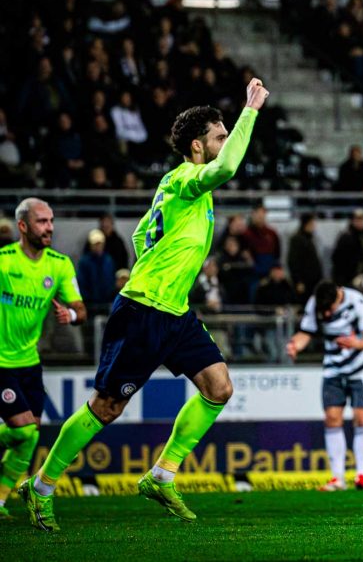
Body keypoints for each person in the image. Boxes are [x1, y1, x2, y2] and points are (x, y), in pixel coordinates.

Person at [20, 78, 269, 531]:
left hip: (174, 310)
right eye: (219, 136)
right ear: (198, 146)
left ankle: (161, 474)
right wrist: (250, 109)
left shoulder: (179, 190)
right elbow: (228, 167)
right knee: (107, 407)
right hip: (144, 310)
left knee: (219, 388)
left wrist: (158, 265)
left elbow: (140, 237)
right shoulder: (187, 180)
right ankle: (40, 486)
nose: (224, 142)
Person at [0, 198, 87, 520]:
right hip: (0, 362)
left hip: (29, 362)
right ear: (23, 226)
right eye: (41, 221)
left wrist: (72, 317)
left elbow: (81, 310)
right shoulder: (4, 262)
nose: (49, 227)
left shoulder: (60, 264)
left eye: (51, 221)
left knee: (32, 433)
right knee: (22, 430)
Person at [286, 281, 363, 491]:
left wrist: (356, 343)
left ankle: (361, 475)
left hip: (360, 368)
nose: (327, 314)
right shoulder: (315, 302)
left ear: (339, 295)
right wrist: (295, 346)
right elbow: (305, 332)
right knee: (332, 418)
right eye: (324, 310)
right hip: (333, 369)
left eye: (331, 309)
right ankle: (338, 478)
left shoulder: (358, 302)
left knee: (362, 418)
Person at [287, 213, 323, 305]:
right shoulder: (297, 239)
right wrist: (298, 281)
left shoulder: (309, 238)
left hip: (313, 282)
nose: (314, 226)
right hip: (304, 283)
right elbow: (292, 261)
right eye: (312, 223)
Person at [77, 229, 117, 307]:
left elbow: (112, 280)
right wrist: (87, 299)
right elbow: (81, 282)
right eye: (95, 244)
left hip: (107, 302)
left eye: (100, 244)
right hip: (90, 304)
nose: (98, 246)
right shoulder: (84, 262)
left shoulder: (109, 260)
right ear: (90, 245)